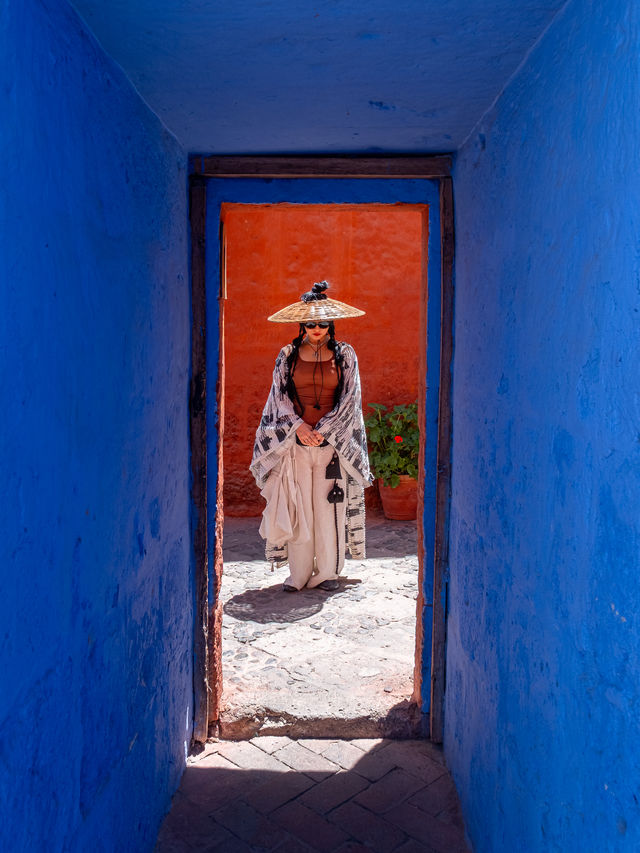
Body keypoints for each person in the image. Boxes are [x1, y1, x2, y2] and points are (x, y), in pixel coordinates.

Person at [250, 281, 372, 592]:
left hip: (332, 447)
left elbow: (350, 399)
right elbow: (277, 397)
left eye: (321, 323)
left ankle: (328, 573)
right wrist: (299, 427)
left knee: (329, 508)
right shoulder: (288, 355)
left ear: (330, 323)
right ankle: (299, 574)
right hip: (296, 445)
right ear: (302, 324)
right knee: (299, 507)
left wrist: (325, 430)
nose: (315, 328)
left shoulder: (345, 355)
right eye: (309, 323)